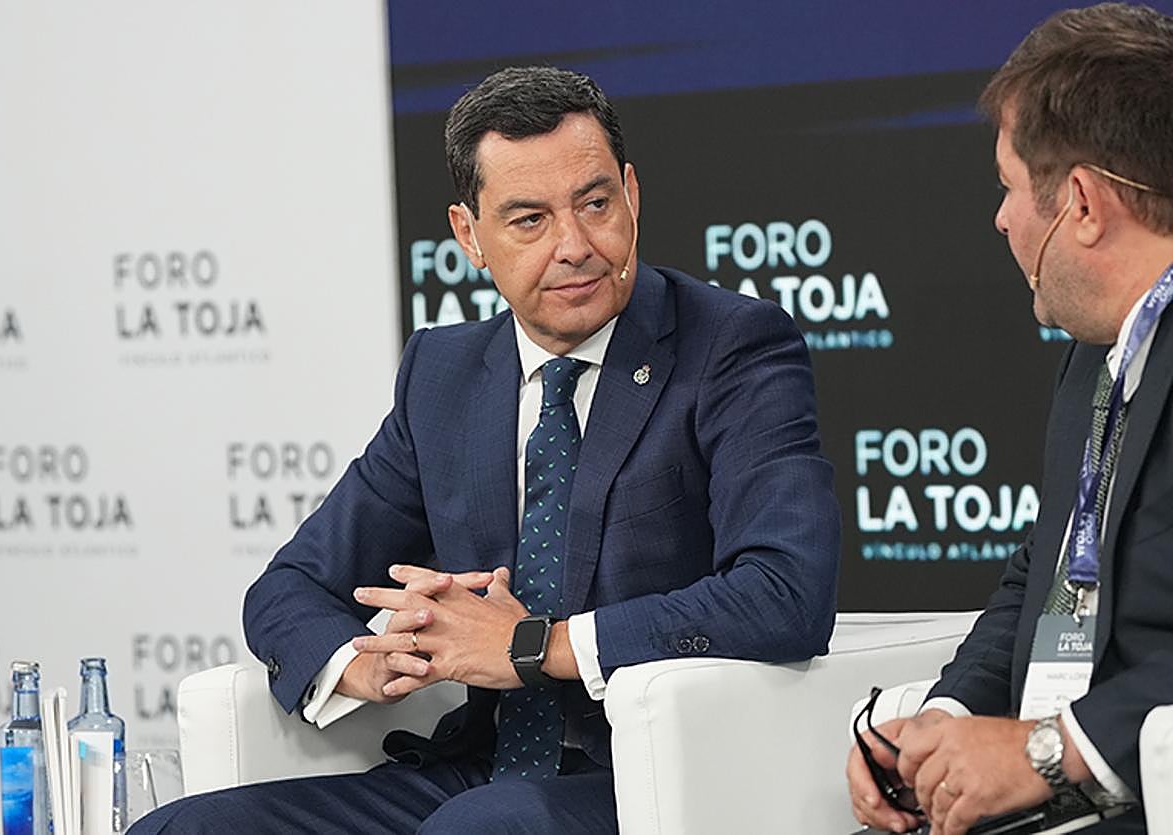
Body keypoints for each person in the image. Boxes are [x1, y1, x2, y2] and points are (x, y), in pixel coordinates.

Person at [136, 66, 840, 833]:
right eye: (530, 220)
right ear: (469, 235)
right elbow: (291, 586)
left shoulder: (731, 347)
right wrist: (360, 661)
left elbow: (784, 592)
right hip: (477, 766)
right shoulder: (443, 375)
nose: (575, 246)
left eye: (596, 203)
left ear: (632, 195)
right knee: (183, 828)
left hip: (655, 773)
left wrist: (535, 645)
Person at [846, 5, 1173, 835]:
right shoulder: (1092, 354)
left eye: (1009, 185)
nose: (1001, 218)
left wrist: (1051, 751)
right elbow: (1047, 571)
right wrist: (944, 719)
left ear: (1083, 203)